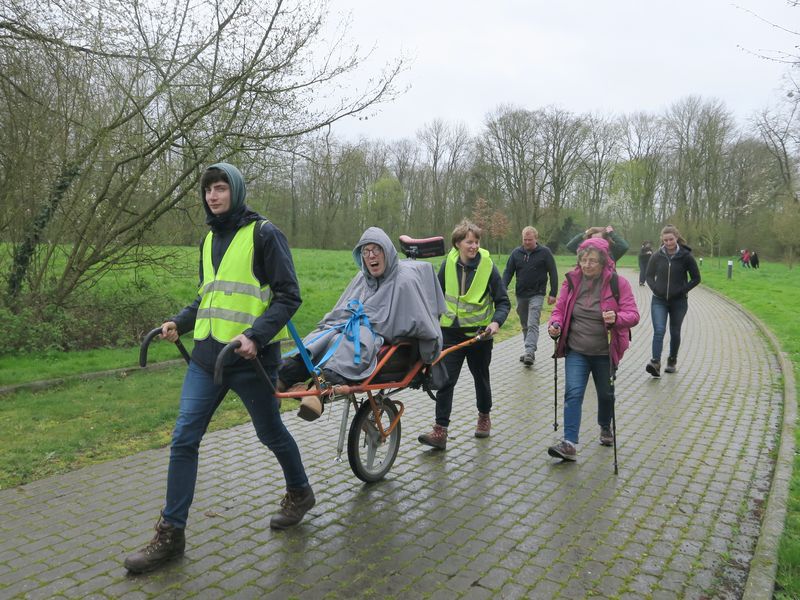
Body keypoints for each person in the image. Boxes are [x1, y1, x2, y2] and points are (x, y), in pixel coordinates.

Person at [124, 163, 314, 574]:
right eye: (208, 189)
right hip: (208, 359)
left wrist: (256, 336)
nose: (213, 195)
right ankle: (171, 534)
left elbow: (288, 296)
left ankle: (300, 492)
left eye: (221, 188)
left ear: (237, 191)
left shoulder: (265, 234)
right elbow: (206, 299)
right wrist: (180, 321)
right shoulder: (208, 238)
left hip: (250, 360)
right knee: (184, 438)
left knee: (270, 432)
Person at [278, 226, 446, 421]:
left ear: (387, 252)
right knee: (322, 336)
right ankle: (282, 378)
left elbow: (424, 324)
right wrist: (336, 323)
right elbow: (342, 308)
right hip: (348, 325)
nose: (371, 255)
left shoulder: (405, 281)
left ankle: (318, 390)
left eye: (376, 249)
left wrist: (429, 356)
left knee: (353, 343)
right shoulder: (361, 277)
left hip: (374, 334)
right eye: (365, 251)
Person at [418, 220, 510, 449]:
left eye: (477, 241)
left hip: (479, 335)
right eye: (469, 242)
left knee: (481, 378)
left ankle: (484, 416)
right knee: (445, 381)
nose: (474, 246)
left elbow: (503, 302)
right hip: (450, 334)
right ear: (458, 243)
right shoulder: (447, 264)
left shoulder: (488, 267)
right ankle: (440, 431)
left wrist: (496, 323)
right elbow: (435, 298)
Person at [546, 237, 640, 461]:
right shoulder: (571, 281)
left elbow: (633, 315)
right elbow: (559, 309)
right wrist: (555, 325)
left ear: (604, 262)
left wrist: (616, 317)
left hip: (605, 352)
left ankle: (605, 426)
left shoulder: (618, 284)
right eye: (584, 260)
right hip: (576, 349)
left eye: (593, 261)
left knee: (606, 395)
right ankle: (569, 442)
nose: (587, 265)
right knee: (573, 393)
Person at [644, 224, 701, 377]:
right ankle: (655, 362)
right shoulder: (657, 256)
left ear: (676, 238)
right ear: (662, 240)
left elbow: (696, 279)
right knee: (659, 330)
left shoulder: (686, 256)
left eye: (671, 239)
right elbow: (648, 275)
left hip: (679, 302)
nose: (668, 242)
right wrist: (655, 288)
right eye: (666, 240)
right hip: (659, 300)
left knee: (675, 331)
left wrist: (682, 290)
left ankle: (672, 361)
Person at [502, 226, 558, 367]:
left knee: (533, 322)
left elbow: (553, 272)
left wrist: (553, 293)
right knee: (525, 324)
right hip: (521, 294)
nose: (527, 242)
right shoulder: (516, 253)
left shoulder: (545, 253)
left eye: (530, 240)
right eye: (525, 239)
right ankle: (529, 349)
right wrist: (502, 288)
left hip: (537, 293)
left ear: (536, 239)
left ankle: (529, 351)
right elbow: (508, 272)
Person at [565, 224, 630, 263]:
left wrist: (611, 233)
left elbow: (624, 246)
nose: (596, 243)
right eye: (593, 240)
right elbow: (570, 246)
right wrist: (586, 232)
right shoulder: (584, 252)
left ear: (606, 241)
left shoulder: (610, 253)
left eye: (599, 240)